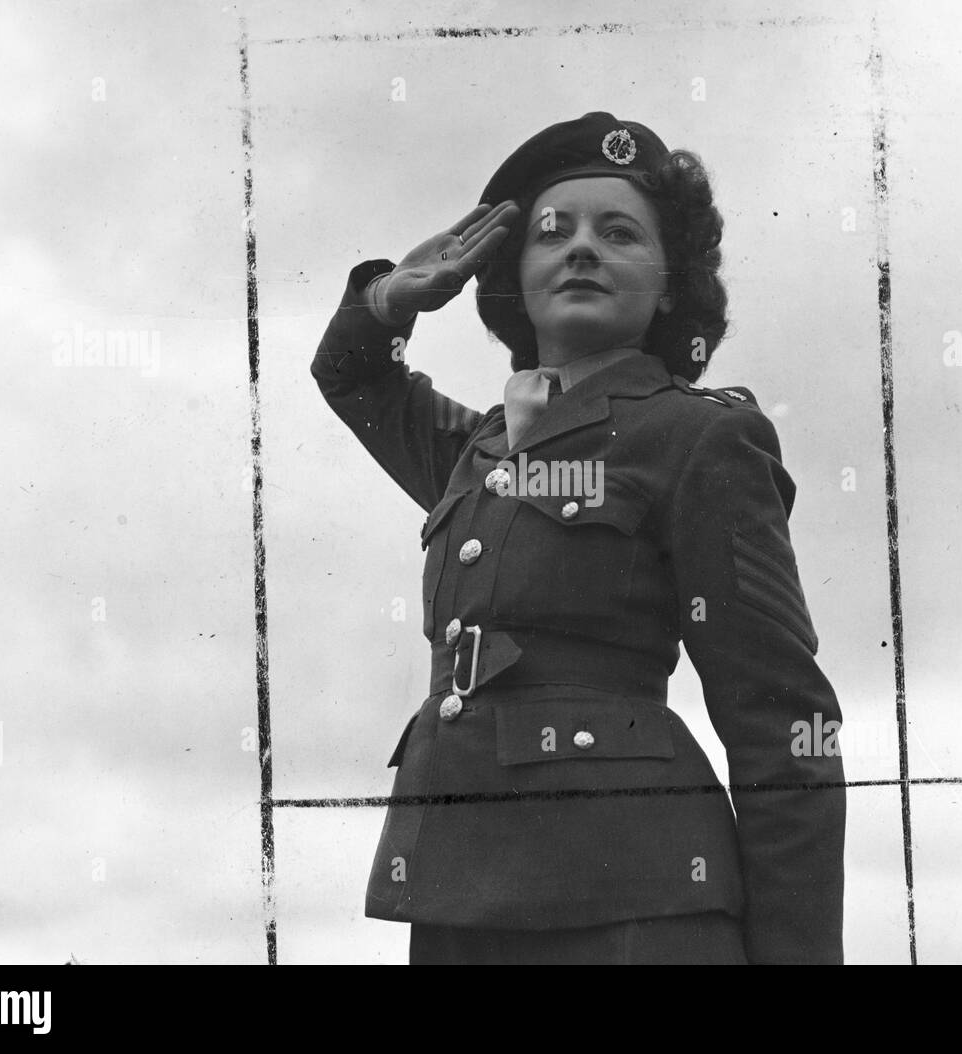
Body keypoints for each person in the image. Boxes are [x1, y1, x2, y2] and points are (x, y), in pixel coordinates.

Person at [310, 112, 846, 965]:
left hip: (640, 910)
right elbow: (350, 375)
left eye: (620, 232)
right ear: (512, 277)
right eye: (551, 232)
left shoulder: (698, 438)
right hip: (458, 899)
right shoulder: (479, 451)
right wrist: (387, 298)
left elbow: (787, 723)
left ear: (669, 286)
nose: (581, 248)